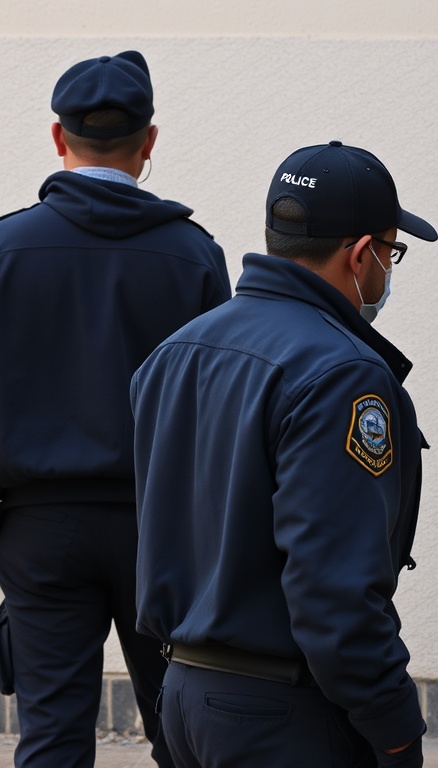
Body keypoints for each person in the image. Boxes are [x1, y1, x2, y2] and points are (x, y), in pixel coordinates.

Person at [131, 140, 436, 768]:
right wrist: (396, 728)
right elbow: (335, 589)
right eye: (391, 251)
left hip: (183, 698)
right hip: (279, 713)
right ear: (360, 255)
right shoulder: (343, 374)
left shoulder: (174, 353)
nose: (388, 269)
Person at [0, 51, 231, 768]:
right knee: (183, 732)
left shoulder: (5, 249)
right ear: (149, 141)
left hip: (37, 531)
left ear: (57, 137)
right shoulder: (194, 255)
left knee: (50, 736)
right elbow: (217, 417)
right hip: (161, 532)